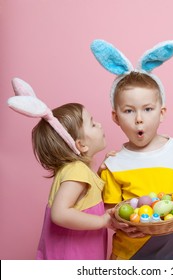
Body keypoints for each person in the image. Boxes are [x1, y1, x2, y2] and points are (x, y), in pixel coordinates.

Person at [90, 40, 173, 260]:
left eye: (148, 109)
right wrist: (117, 221)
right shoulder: (113, 164)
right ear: (115, 117)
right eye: (128, 111)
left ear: (161, 112)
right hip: (130, 258)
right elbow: (112, 211)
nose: (139, 119)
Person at [8, 78, 113, 260]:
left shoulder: (76, 171)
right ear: (81, 145)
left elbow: (84, 201)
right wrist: (103, 220)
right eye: (92, 123)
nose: (100, 125)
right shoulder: (77, 171)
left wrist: (101, 171)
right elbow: (60, 213)